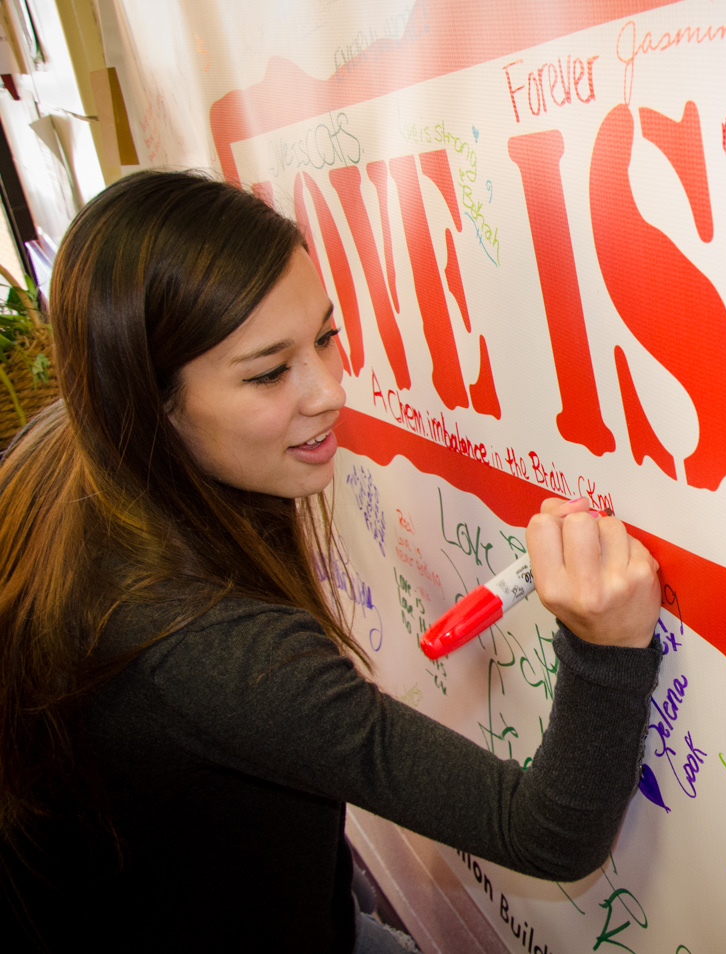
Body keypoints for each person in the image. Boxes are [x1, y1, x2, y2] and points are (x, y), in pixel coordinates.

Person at [0, 170, 663, 952]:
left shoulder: (64, 450)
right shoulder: (206, 651)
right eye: (269, 372)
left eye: (325, 334)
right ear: (152, 404)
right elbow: (549, 834)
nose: (330, 389)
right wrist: (607, 646)